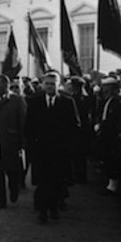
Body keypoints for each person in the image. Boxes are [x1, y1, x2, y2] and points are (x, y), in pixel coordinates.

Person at [24, 71, 81, 224]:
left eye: (53, 84)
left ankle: (54, 207)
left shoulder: (67, 102)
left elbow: (75, 126)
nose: (50, 87)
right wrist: (31, 146)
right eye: (47, 84)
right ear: (43, 85)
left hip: (59, 150)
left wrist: (69, 146)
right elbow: (28, 126)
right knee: (42, 182)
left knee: (57, 181)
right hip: (41, 150)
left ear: (59, 85)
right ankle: (42, 211)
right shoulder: (34, 102)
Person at [0, 75, 27, 209]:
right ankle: (1, 199)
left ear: (6, 85)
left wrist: (23, 144)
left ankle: (14, 189)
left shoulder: (17, 100)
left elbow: (23, 122)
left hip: (11, 141)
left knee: (12, 172)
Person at [97, 76, 121, 196]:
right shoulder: (107, 100)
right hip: (107, 134)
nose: (104, 90)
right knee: (108, 158)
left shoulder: (117, 101)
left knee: (113, 160)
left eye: (106, 87)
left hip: (113, 135)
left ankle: (113, 186)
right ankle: (111, 183)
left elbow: (119, 120)